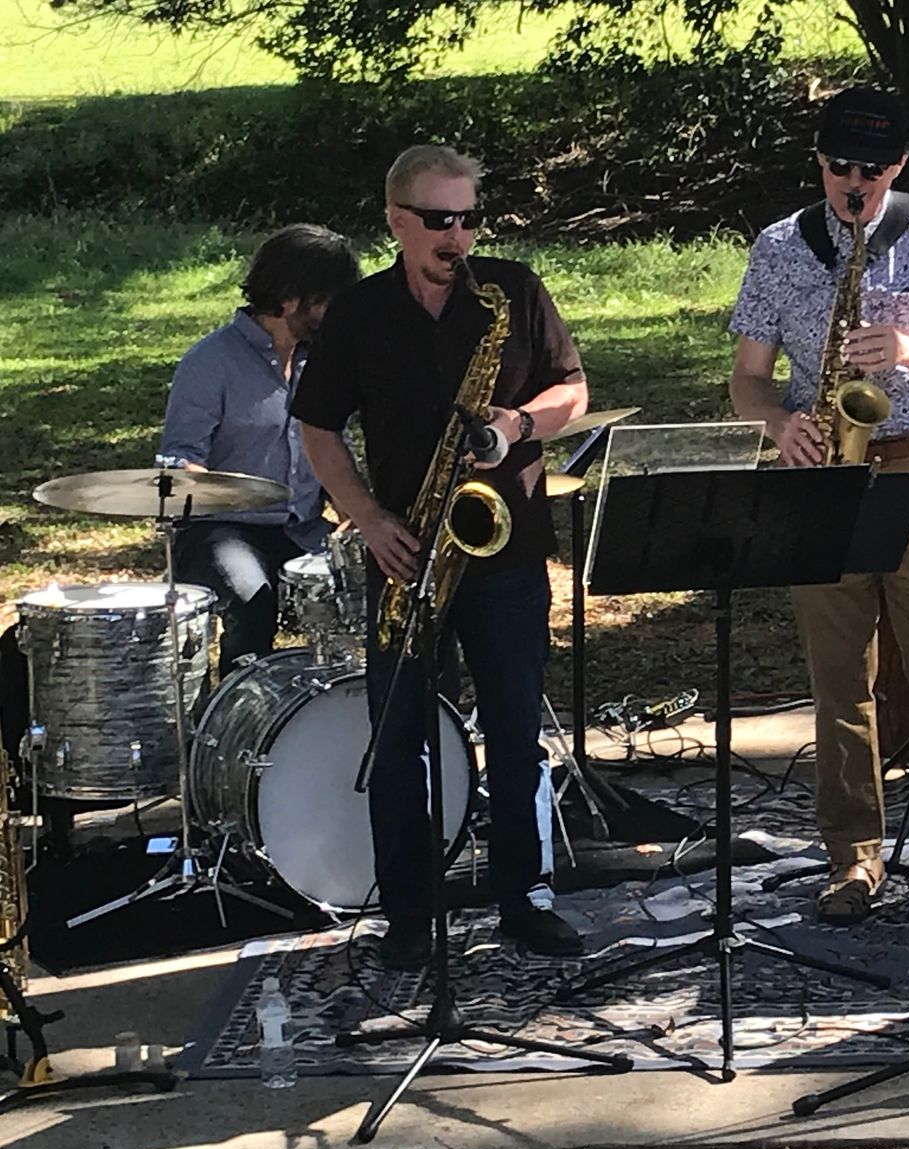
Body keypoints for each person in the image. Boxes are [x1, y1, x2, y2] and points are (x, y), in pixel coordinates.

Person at [729, 86, 909, 928]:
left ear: (898, 168)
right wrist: (780, 423)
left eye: (869, 170)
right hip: (822, 479)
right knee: (839, 685)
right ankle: (853, 857)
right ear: (818, 161)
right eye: (837, 168)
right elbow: (747, 380)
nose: (851, 185)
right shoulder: (781, 247)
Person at [292, 145, 589, 968]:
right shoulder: (359, 313)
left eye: (468, 219)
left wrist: (516, 424)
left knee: (516, 731)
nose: (457, 236)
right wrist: (366, 518)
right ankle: (410, 915)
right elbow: (318, 426)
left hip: (506, 546)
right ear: (396, 221)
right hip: (407, 551)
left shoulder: (512, 291)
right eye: (438, 220)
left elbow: (572, 389)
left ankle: (526, 898)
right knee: (402, 741)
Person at [160, 224, 360, 677]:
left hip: (304, 530)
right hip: (223, 532)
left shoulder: (322, 362)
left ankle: (346, 707)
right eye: (328, 302)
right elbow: (180, 460)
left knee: (379, 590)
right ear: (289, 299)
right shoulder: (209, 363)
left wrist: (360, 518)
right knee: (253, 598)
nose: (338, 315)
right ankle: (242, 709)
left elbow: (334, 447)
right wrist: (205, 482)